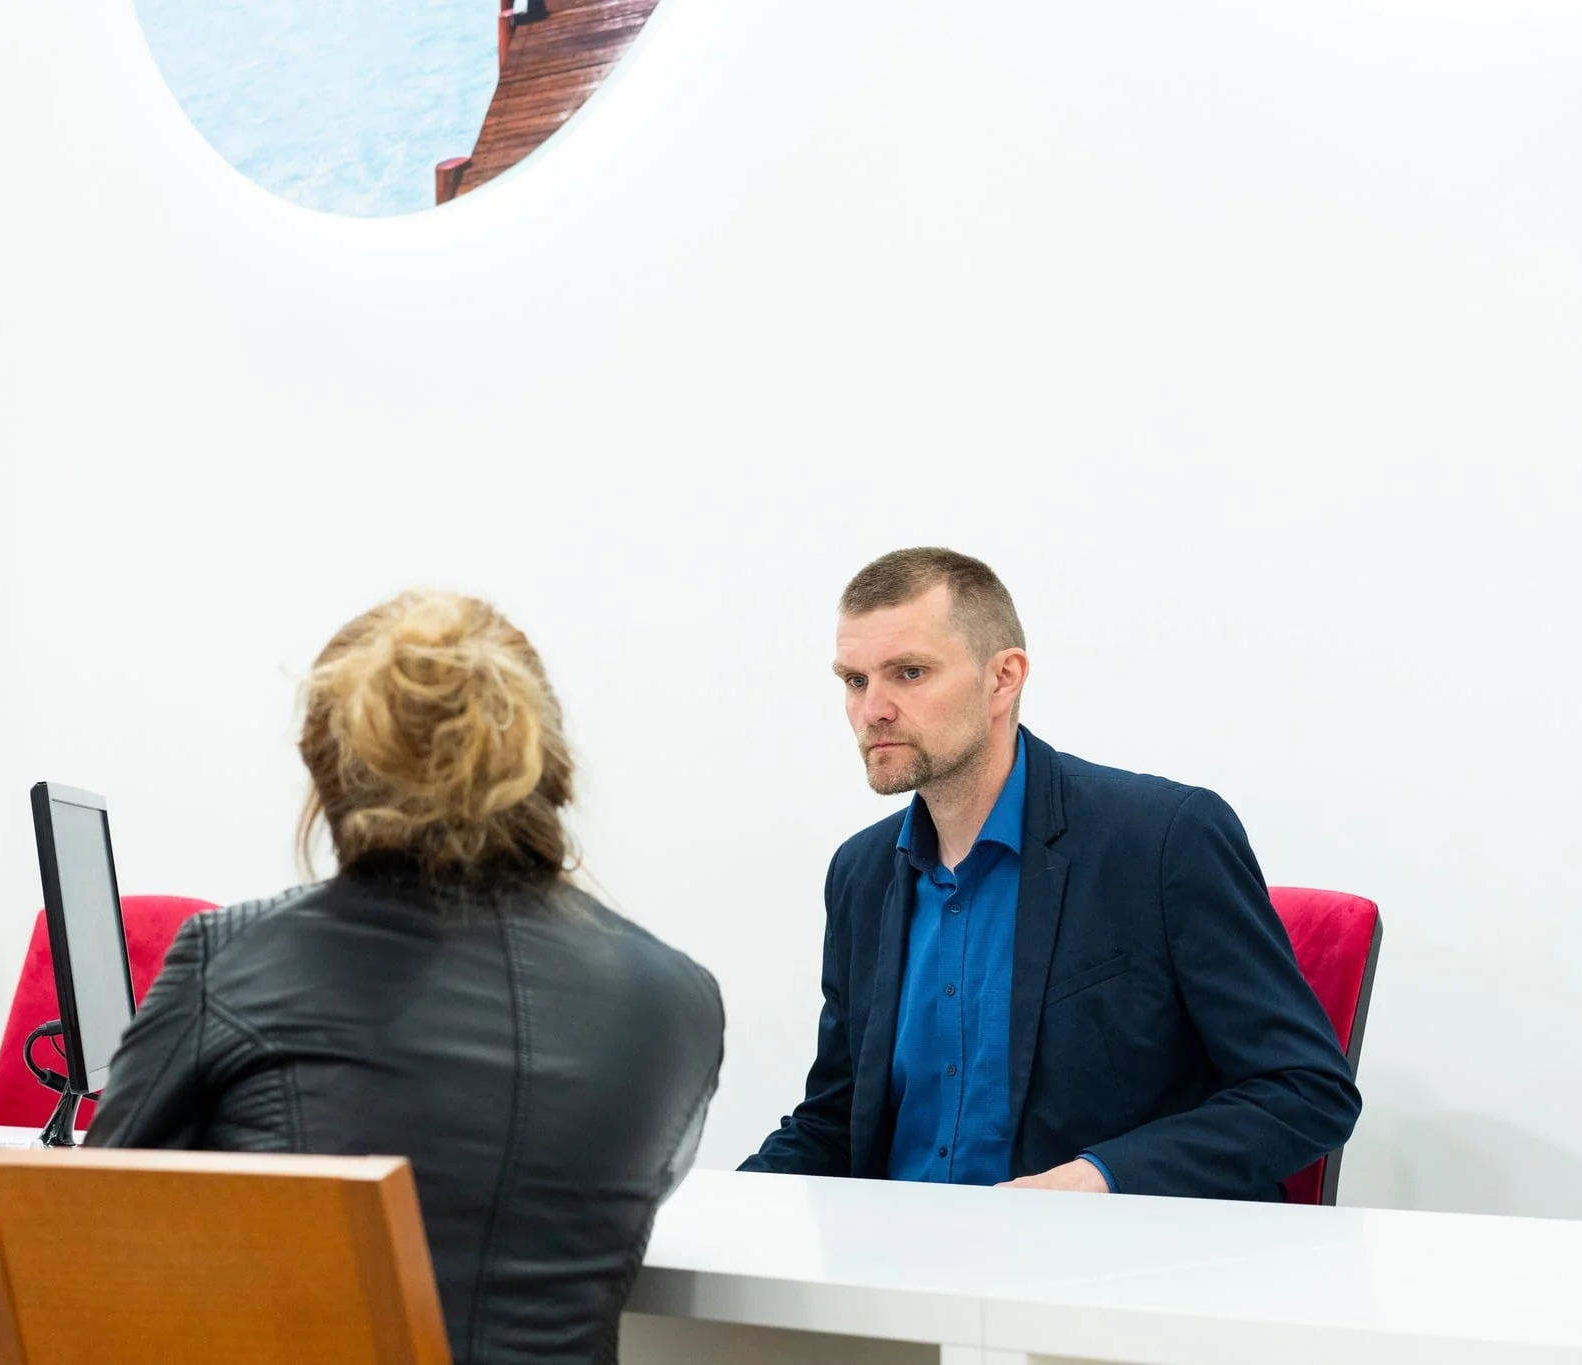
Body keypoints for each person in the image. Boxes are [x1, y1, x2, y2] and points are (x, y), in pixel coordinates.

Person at [88, 590, 724, 1365]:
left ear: (326, 767)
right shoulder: (677, 1000)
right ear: (548, 764)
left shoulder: (230, 958)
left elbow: (81, 1232)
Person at [742, 548, 1358, 1198]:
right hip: (897, 1253)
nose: (873, 709)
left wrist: (1099, 1178)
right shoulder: (861, 872)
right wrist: (716, 1209)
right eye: (855, 680)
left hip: (1096, 1251)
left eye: (910, 672)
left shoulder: (1162, 838)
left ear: (1003, 678)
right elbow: (835, 1122)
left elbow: (1305, 1090)